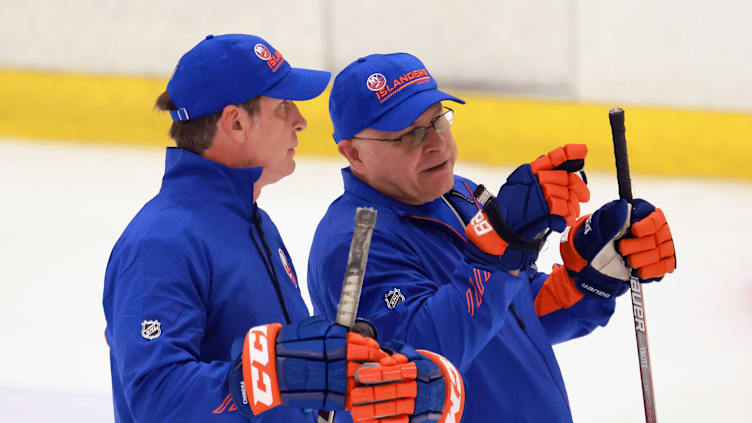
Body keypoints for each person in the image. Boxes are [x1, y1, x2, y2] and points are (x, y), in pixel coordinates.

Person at [103, 36, 464, 423]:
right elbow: (155, 398)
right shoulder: (161, 243)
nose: (300, 121)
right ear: (236, 122)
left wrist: (363, 380)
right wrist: (270, 378)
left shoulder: (253, 224)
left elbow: (285, 386)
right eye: (283, 107)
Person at [307, 52, 677, 422]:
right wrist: (500, 244)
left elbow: (516, 315)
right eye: (409, 134)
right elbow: (419, 362)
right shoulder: (353, 243)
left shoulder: (461, 195)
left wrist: (590, 277)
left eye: (438, 121)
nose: (435, 143)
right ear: (354, 152)